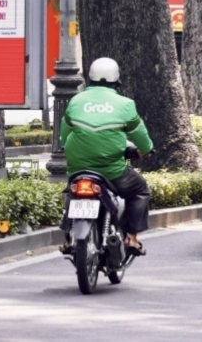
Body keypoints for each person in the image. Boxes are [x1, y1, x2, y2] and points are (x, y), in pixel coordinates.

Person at [60, 58, 154, 256]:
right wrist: (146, 150)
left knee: (71, 191)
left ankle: (69, 234)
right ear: (116, 80)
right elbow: (142, 138)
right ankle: (132, 238)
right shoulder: (125, 105)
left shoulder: (76, 101)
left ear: (90, 78)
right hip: (111, 172)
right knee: (140, 189)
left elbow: (64, 136)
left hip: (78, 169)